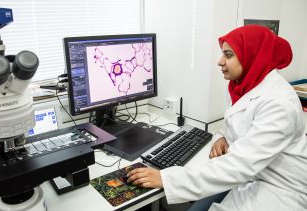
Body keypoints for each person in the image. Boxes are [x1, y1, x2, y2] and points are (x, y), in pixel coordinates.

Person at [127, 25, 307, 210]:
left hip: (279, 189)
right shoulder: (242, 86)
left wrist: (166, 179)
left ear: (252, 55)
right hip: (251, 175)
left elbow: (239, 165)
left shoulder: (280, 103)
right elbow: (237, 125)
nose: (220, 62)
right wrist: (221, 136)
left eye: (228, 55)